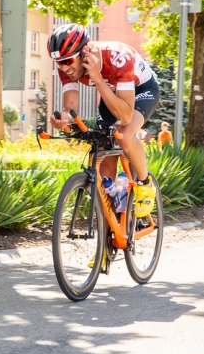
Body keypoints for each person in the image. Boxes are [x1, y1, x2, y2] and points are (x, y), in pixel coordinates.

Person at [47, 23, 159, 218]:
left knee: (124, 134)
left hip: (142, 90)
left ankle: (145, 184)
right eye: (59, 62)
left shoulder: (118, 57)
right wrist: (64, 118)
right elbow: (70, 107)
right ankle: (110, 226)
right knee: (102, 144)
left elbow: (125, 116)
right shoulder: (66, 68)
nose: (65, 67)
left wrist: (97, 78)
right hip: (112, 93)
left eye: (69, 60)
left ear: (85, 51)